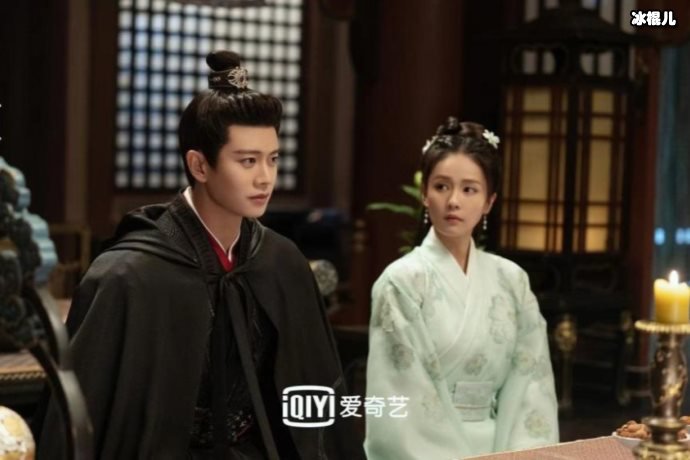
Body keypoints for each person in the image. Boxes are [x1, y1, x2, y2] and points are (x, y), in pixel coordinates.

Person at [34, 50, 364, 460]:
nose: (265, 178)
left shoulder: (280, 261)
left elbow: (318, 400)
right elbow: (84, 419)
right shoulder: (129, 275)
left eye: (273, 159)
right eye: (247, 161)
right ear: (199, 166)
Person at [364, 117, 559, 459]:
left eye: (469, 189)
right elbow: (399, 395)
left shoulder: (512, 280)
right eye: (441, 186)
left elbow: (531, 385)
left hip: (502, 448)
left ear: (489, 202)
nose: (453, 200)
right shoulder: (401, 282)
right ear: (425, 194)